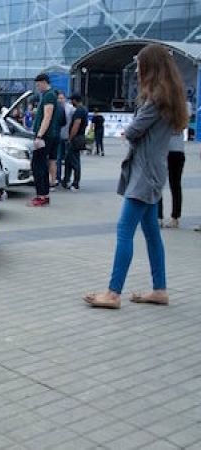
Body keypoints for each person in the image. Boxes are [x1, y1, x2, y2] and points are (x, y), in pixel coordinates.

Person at [84, 44, 189, 309]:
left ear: (150, 68)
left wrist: (129, 131)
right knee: (152, 233)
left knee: (124, 231)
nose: (137, 70)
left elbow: (132, 131)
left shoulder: (155, 100)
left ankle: (113, 293)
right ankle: (160, 289)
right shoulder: (169, 97)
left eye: (140, 66)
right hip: (154, 172)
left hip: (144, 175)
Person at [28, 73, 59, 207]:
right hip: (46, 135)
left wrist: (39, 135)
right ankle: (44, 195)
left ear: (44, 82)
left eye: (38, 84)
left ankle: (41, 195)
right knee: (41, 165)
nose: (37, 86)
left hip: (45, 136)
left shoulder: (49, 95)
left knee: (37, 165)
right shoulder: (47, 95)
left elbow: (47, 117)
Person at [158, 132, 186, 228]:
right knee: (174, 186)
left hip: (168, 151)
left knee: (168, 185)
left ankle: (162, 217)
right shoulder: (183, 116)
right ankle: (173, 218)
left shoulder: (164, 116)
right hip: (174, 151)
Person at [62, 93, 87, 190]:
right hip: (79, 137)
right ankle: (66, 180)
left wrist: (70, 137)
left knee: (74, 161)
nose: (71, 102)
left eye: (72, 100)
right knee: (68, 160)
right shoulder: (83, 109)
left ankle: (75, 183)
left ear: (75, 100)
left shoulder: (79, 111)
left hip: (76, 138)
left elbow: (76, 125)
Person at [55, 91, 74, 187]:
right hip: (58, 136)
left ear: (65, 99)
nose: (61, 100)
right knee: (57, 159)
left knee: (67, 159)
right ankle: (57, 178)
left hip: (67, 136)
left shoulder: (70, 109)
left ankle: (66, 179)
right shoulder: (56, 108)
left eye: (62, 98)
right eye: (59, 98)